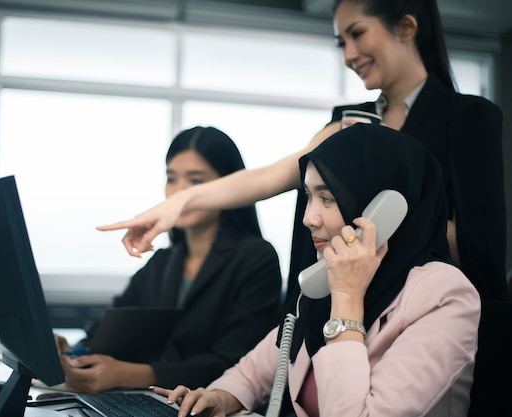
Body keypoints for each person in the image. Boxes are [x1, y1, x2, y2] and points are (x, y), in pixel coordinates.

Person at [97, 0, 507, 303]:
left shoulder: (469, 118)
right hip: (345, 314)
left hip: (424, 316)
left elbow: (478, 248)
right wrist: (178, 204)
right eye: (340, 41)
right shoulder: (348, 123)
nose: (348, 55)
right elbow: (270, 177)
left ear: (405, 27)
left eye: (358, 34)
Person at [152, 123, 481, 417]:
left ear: (382, 212)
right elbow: (251, 374)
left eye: (327, 199)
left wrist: (347, 300)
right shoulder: (321, 284)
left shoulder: (444, 296)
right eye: (308, 197)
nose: (309, 217)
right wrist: (221, 398)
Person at [55, 126, 283, 393]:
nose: (179, 193)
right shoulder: (163, 261)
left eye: (196, 181)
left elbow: (237, 363)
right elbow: (107, 334)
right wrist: (71, 353)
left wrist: (130, 374)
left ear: (229, 187)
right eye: (172, 179)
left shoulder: (256, 259)